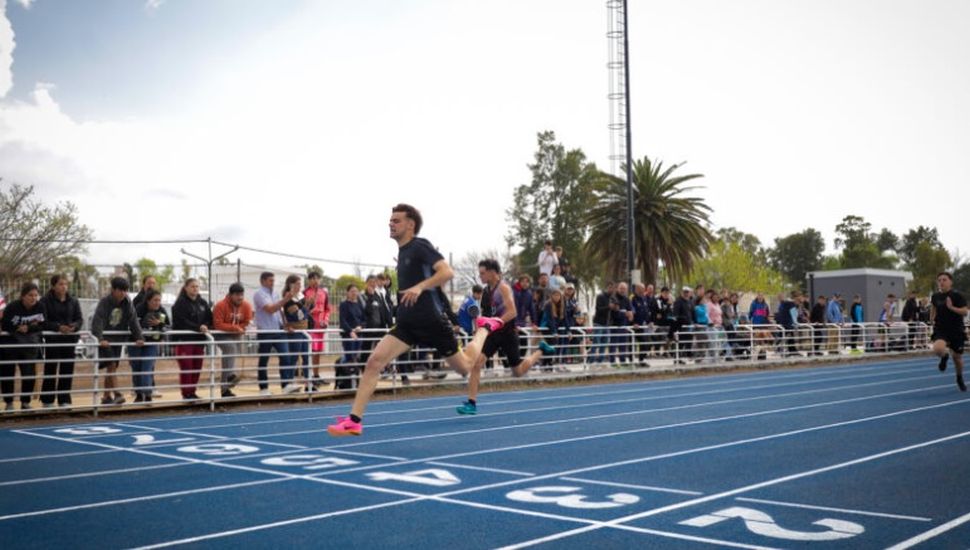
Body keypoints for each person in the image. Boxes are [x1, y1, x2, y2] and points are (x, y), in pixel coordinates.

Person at [327, 204, 503, 436]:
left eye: (396, 220)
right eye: (390, 220)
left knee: (465, 367)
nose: (391, 224)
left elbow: (447, 272)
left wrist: (420, 287)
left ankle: (485, 328)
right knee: (373, 362)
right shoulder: (403, 252)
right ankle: (354, 420)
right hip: (407, 323)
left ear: (410, 224)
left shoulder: (420, 246)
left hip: (431, 321)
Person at [457, 259, 554, 414]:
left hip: (507, 334)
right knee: (476, 364)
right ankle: (471, 403)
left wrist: (497, 322)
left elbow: (512, 312)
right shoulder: (486, 292)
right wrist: (480, 330)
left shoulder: (503, 288)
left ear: (492, 272)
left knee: (518, 372)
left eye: (482, 273)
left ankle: (541, 350)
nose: (480, 276)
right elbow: (486, 315)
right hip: (493, 334)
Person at [91, 277, 144, 406]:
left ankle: (106, 396)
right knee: (112, 365)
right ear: (113, 290)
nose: (123, 293)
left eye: (125, 291)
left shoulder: (127, 302)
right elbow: (97, 320)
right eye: (121, 290)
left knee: (112, 367)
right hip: (105, 340)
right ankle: (117, 393)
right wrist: (100, 338)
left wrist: (139, 336)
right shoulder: (104, 302)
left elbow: (133, 320)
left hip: (118, 340)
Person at [0, 282, 46, 410]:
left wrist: (30, 327)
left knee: (29, 374)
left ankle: (25, 402)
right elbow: (4, 324)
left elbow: (44, 324)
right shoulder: (12, 307)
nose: (33, 298)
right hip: (10, 345)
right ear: (23, 296)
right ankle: (9, 402)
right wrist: (17, 328)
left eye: (36, 295)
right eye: (30, 295)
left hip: (29, 346)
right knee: (7, 374)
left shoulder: (40, 307)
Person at [40, 274, 83, 408]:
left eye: (65, 284)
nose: (64, 287)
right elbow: (43, 321)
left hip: (69, 339)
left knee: (67, 369)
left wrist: (74, 326)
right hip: (53, 339)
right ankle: (47, 399)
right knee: (51, 368)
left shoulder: (73, 301)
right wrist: (58, 327)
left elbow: (80, 319)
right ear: (53, 286)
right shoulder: (45, 301)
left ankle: (64, 399)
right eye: (60, 284)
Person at [253, 272, 299, 396]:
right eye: (270, 280)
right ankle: (263, 388)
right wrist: (286, 299)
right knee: (264, 360)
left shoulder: (275, 293)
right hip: (265, 331)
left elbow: (279, 311)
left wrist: (285, 325)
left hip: (278, 330)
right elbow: (271, 309)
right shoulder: (258, 294)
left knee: (285, 356)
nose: (272, 283)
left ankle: (286, 385)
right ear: (262, 281)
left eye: (273, 280)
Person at [171, 278, 212, 400]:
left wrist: (205, 326)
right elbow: (181, 322)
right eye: (192, 286)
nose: (195, 289)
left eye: (197, 286)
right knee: (187, 367)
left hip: (199, 341)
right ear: (186, 288)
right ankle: (186, 393)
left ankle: (192, 391)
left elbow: (209, 318)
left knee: (196, 367)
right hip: (184, 341)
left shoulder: (203, 303)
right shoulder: (179, 303)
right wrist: (197, 327)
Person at [211, 283, 252, 398]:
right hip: (220, 334)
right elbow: (218, 324)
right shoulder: (220, 305)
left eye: (242, 294)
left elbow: (247, 321)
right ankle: (230, 376)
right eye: (237, 295)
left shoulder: (246, 306)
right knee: (230, 348)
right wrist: (235, 328)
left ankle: (225, 388)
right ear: (230, 295)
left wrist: (240, 328)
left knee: (229, 357)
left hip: (236, 334)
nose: (240, 297)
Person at [931, 272, 968, 391]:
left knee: (957, 358)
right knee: (938, 349)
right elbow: (934, 307)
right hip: (941, 328)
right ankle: (944, 356)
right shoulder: (935, 296)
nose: (941, 282)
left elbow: (965, 312)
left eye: (944, 280)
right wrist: (932, 318)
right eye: (939, 280)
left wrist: (952, 308)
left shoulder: (957, 296)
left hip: (956, 330)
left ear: (950, 282)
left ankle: (959, 377)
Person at [131, 289, 170, 402]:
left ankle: (147, 395)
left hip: (151, 344)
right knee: (137, 368)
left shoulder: (162, 310)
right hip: (136, 343)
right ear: (148, 300)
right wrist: (138, 337)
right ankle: (139, 395)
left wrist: (160, 324)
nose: (157, 303)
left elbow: (168, 326)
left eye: (159, 300)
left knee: (147, 368)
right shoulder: (139, 309)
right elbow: (133, 325)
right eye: (155, 300)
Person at [281, 274, 311, 386]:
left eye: (300, 284)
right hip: (295, 330)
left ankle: (308, 382)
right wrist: (305, 307)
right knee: (293, 357)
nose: (300, 286)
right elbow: (297, 316)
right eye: (297, 284)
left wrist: (306, 307)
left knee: (306, 357)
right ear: (290, 284)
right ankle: (289, 382)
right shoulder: (288, 298)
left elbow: (304, 314)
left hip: (304, 329)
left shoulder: (301, 296)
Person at [304, 271, 332, 389]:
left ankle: (316, 375)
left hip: (320, 327)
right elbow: (303, 311)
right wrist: (312, 311)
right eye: (313, 278)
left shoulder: (324, 293)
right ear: (309, 280)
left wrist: (325, 320)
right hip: (310, 326)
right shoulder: (304, 293)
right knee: (310, 352)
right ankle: (308, 377)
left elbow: (327, 309)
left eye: (317, 278)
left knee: (317, 352)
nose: (315, 281)